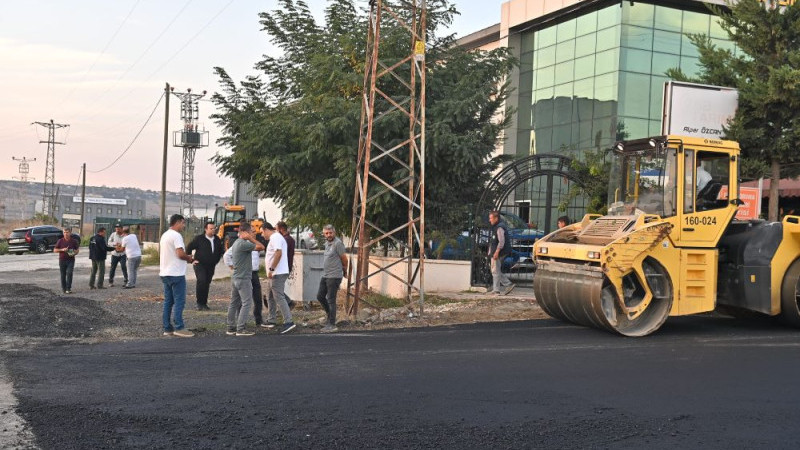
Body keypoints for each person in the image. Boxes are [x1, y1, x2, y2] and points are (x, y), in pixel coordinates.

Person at [225, 222, 264, 336]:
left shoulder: (236, 243)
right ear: (245, 232)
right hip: (243, 278)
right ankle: (241, 328)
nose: (253, 234)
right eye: (251, 232)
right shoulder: (243, 243)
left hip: (236, 277)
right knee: (246, 302)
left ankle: (230, 327)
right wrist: (251, 239)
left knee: (234, 303)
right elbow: (261, 247)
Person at [160, 214, 195, 337]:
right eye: (183, 223)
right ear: (178, 222)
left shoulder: (165, 235)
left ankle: (167, 328)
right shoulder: (176, 236)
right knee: (179, 301)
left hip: (165, 272)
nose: (184, 226)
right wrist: (189, 258)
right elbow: (180, 254)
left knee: (168, 301)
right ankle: (179, 327)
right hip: (176, 273)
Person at [261, 222, 296, 334]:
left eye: (262, 232)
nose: (262, 235)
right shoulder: (276, 237)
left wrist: (271, 269)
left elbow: (278, 253)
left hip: (278, 272)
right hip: (275, 273)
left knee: (278, 296)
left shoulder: (275, 237)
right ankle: (272, 319)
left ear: (266, 229)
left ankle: (289, 322)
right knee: (269, 295)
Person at [316, 224, 348, 333]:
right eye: (326, 233)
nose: (328, 235)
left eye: (330, 233)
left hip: (334, 276)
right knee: (320, 296)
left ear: (334, 232)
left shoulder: (338, 244)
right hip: (326, 275)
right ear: (324, 234)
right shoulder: (327, 243)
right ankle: (330, 316)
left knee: (331, 299)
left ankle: (332, 324)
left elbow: (344, 259)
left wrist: (344, 270)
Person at [186, 222, 223, 310]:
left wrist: (216, 261)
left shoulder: (217, 239)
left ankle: (204, 303)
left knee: (207, 283)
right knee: (201, 281)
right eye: (211, 228)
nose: (213, 230)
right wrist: (191, 259)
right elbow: (189, 247)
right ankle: (199, 303)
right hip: (200, 264)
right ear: (206, 229)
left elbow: (220, 251)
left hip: (211, 265)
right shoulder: (199, 239)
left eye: (214, 228)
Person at [270, 221, 296, 310]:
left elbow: (279, 253)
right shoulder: (289, 239)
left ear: (281, 229)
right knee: (275, 289)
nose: (276, 232)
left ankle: (288, 303)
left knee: (277, 290)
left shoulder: (285, 240)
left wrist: (272, 268)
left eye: (277, 230)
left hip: (283, 268)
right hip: (286, 267)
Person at [488, 211, 515, 295]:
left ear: (496, 218)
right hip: (496, 252)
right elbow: (493, 241)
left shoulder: (500, 227)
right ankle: (498, 288)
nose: (490, 220)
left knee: (495, 270)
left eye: (491, 218)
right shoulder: (496, 226)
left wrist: (496, 252)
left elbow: (501, 241)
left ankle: (502, 287)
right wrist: (490, 251)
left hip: (499, 252)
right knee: (495, 270)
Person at [54, 227, 80, 294]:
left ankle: (68, 288)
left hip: (70, 260)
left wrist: (74, 252)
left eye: (67, 232)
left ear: (70, 233)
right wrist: (62, 250)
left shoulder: (74, 241)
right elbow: (55, 250)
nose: (66, 234)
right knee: (63, 274)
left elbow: (77, 250)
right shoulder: (60, 241)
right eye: (64, 232)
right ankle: (64, 288)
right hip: (62, 260)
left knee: (69, 273)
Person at [107, 223, 128, 287]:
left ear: (122, 229)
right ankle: (111, 281)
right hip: (115, 254)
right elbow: (109, 242)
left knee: (123, 267)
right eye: (116, 229)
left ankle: (126, 281)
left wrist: (122, 245)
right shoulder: (113, 234)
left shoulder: (125, 236)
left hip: (123, 254)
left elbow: (128, 243)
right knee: (113, 268)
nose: (117, 230)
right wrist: (115, 243)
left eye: (118, 229)